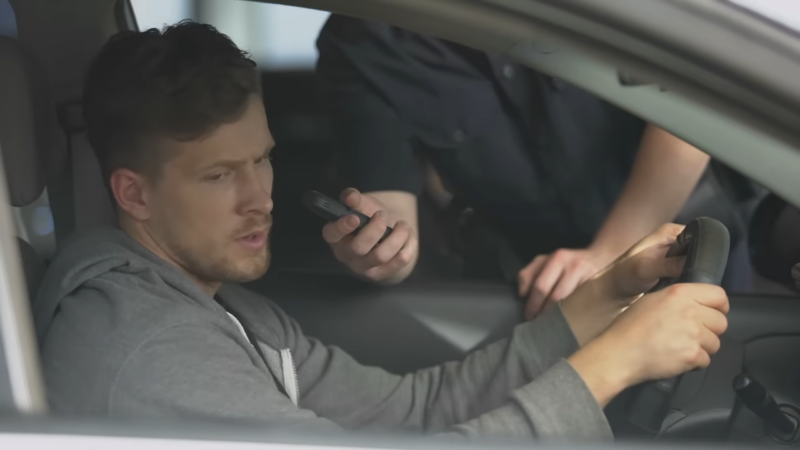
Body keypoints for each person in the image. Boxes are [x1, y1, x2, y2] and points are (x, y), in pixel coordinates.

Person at [34, 22, 729, 440]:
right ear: (134, 192)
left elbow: (416, 410)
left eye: (264, 160)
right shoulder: (149, 344)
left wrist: (609, 295)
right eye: (219, 176)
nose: (259, 199)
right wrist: (617, 364)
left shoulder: (234, 314)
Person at [315, 16, 714, 319]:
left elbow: (691, 107)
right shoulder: (363, 38)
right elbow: (388, 201)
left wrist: (609, 254)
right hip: (540, 291)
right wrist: (382, 253)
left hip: (688, 248)